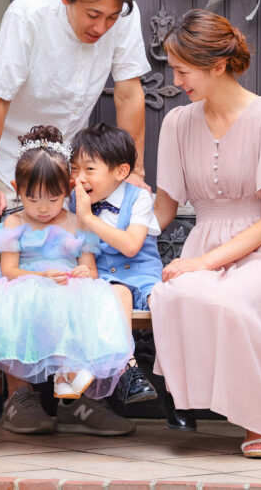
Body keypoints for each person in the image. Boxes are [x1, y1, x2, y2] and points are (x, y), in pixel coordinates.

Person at [150, 9, 261, 461]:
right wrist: (100, 232)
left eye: (183, 70)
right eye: (173, 69)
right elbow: (163, 211)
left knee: (232, 299)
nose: (176, 80)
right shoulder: (176, 123)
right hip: (205, 252)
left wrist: (201, 264)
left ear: (217, 65)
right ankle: (259, 422)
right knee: (174, 294)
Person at [0, 126, 135, 437]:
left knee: (94, 302)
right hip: (26, 284)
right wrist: (41, 277)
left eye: (53, 198)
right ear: (17, 188)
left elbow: (90, 270)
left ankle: (73, 393)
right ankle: (21, 397)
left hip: (68, 288)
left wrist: (83, 273)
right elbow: (9, 271)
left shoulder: (78, 223)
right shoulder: (16, 222)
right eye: (33, 198)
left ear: (68, 189)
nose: (43, 208)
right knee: (20, 303)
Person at [0, 0, 152, 223]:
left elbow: (128, 94)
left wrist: (135, 172)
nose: (101, 27)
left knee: (65, 245)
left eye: (111, 17)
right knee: (4, 244)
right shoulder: (27, 15)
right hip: (4, 155)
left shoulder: (124, 14)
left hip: (67, 159)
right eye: (93, 15)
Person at [68, 123, 197, 429]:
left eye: (89, 169)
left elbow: (130, 245)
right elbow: (86, 250)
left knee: (167, 307)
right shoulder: (77, 202)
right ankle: (128, 371)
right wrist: (89, 277)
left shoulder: (138, 199)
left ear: (121, 172)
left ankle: (176, 395)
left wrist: (87, 217)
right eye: (75, 169)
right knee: (117, 294)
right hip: (106, 282)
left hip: (144, 278)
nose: (80, 177)